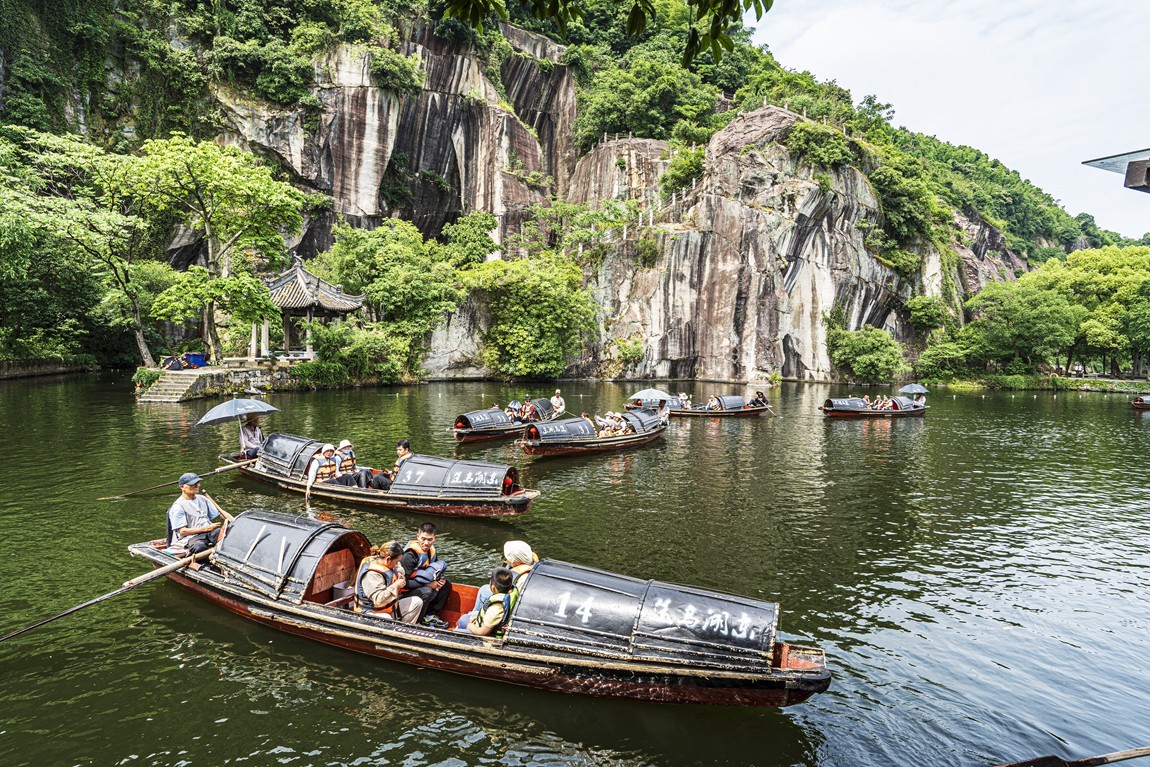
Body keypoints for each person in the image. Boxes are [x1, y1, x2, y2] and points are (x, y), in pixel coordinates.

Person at [353, 540, 423, 623]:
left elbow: (399, 566)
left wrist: (400, 573)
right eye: (396, 561)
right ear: (388, 559)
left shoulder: (386, 561)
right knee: (386, 618)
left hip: (389, 607)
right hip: (370, 612)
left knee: (417, 602)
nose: (397, 564)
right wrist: (396, 585)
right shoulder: (371, 574)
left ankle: (403, 630)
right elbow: (378, 600)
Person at [400, 522, 452, 627]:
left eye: (429, 539)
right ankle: (418, 620)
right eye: (423, 539)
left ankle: (430, 615)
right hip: (404, 593)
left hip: (422, 584)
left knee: (446, 585)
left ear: (435, 538)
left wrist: (439, 580)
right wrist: (427, 585)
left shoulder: (431, 552)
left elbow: (433, 570)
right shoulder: (409, 556)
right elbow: (403, 583)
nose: (426, 543)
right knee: (426, 591)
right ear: (417, 536)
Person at [167, 473, 223, 554]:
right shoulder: (178, 506)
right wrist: (206, 528)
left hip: (209, 532)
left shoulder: (203, 499)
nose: (197, 486)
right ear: (182, 487)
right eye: (192, 484)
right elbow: (182, 531)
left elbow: (220, 515)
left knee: (226, 535)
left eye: (198, 483)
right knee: (199, 546)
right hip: (191, 537)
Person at [456, 567, 518, 636]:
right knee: (463, 619)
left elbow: (482, 632)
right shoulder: (511, 593)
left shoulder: (495, 608)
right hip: (489, 622)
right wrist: (478, 616)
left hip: (487, 633)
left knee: (455, 631)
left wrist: (470, 626)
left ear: (493, 587)